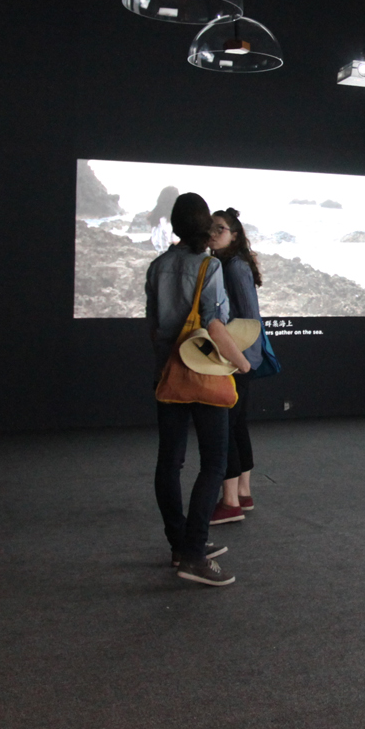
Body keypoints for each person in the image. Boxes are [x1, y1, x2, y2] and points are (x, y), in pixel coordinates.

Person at [145, 192, 251, 586]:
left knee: (169, 462)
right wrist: (241, 362)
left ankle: (180, 545)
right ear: (206, 228)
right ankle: (194, 552)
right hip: (204, 372)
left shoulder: (158, 266)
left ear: (174, 226)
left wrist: (162, 363)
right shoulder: (209, 267)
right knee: (214, 462)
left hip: (168, 375)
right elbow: (216, 327)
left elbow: (154, 327)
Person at [208, 208, 263, 524]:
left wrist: (239, 360)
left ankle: (230, 502)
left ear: (235, 234)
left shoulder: (234, 267)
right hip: (242, 358)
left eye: (220, 229)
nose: (213, 234)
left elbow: (247, 320)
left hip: (236, 359)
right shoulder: (231, 264)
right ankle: (243, 492)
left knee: (227, 426)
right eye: (210, 229)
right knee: (237, 424)